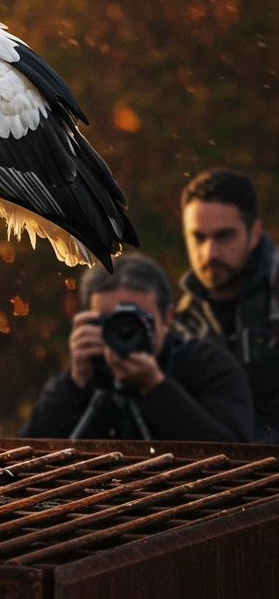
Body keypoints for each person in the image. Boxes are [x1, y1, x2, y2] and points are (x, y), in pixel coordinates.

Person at [22, 253, 253, 442]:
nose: (123, 332)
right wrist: (75, 383)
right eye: (108, 322)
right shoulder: (84, 376)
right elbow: (27, 456)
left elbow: (233, 452)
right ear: (87, 321)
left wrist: (155, 387)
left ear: (168, 317)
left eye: (138, 320)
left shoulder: (208, 365)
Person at [176, 168, 279, 443]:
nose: (210, 252)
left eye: (224, 236)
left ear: (254, 233)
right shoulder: (183, 323)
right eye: (198, 237)